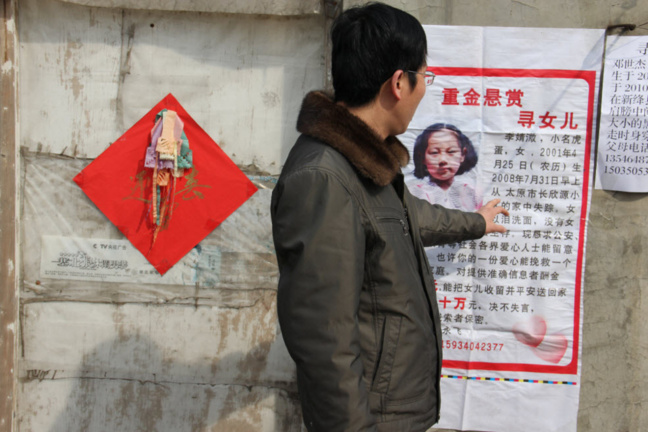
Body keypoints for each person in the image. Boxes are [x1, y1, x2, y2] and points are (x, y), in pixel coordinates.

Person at [270, 3, 508, 431]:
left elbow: (409, 216)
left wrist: (477, 223)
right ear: (399, 82)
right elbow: (325, 341)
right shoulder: (324, 177)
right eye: (424, 78)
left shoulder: (363, 166)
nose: (424, 91)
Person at [408, 123, 483, 210]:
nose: (443, 160)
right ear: (422, 157)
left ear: (463, 155)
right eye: (434, 152)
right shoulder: (412, 193)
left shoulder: (473, 193)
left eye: (451, 151)